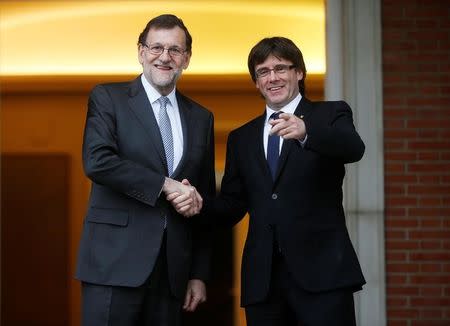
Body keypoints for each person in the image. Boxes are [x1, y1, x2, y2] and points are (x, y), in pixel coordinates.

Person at [169, 36, 366, 325]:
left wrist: (306, 132)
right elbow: (234, 205)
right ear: (256, 82)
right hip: (264, 283)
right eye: (263, 72)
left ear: (299, 72)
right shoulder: (242, 138)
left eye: (281, 68)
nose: (272, 77)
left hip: (323, 275)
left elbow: (353, 148)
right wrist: (200, 204)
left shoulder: (330, 114)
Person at [75, 14, 215, 326]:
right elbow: (97, 161)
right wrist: (166, 184)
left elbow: (203, 201)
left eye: (175, 50)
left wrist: (198, 273)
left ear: (187, 59)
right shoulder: (108, 98)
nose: (165, 57)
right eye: (156, 48)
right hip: (114, 264)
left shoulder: (201, 118)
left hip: (172, 273)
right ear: (141, 52)